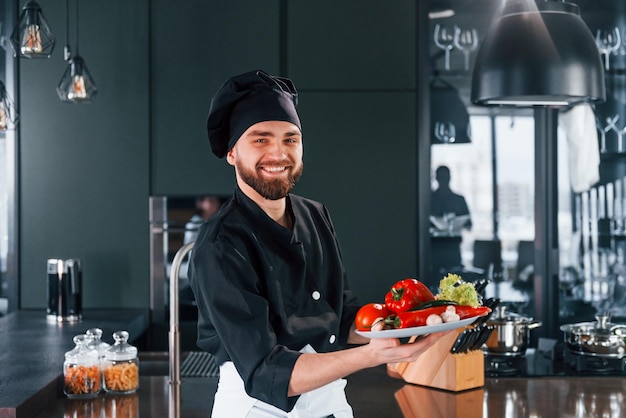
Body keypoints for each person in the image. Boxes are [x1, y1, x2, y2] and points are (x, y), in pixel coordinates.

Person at [189, 70, 451, 418]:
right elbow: (266, 372)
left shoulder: (315, 215)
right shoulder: (219, 245)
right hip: (257, 409)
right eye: (261, 139)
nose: (278, 153)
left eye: (290, 139)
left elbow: (341, 319)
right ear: (232, 152)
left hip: (330, 403)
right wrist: (374, 354)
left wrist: (400, 322)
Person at [430, 165, 472, 278]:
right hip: (434, 249)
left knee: (454, 281)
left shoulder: (458, 199)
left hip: (453, 248)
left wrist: (458, 223)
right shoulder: (429, 199)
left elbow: (469, 224)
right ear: (437, 178)